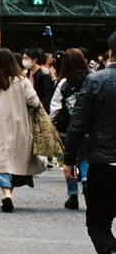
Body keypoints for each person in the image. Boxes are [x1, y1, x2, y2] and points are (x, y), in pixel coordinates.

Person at [63, 33, 116, 254]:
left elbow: (78, 124)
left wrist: (69, 159)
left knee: (98, 223)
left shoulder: (96, 81)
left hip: (103, 165)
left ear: (110, 53)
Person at [0, 46, 43, 213]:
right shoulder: (22, 81)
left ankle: (6, 194)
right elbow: (34, 102)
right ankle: (8, 195)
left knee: (2, 162)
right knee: (13, 162)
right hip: (19, 127)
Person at [50, 48, 91, 211]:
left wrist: (50, 123)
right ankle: (87, 179)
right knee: (85, 156)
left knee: (69, 161)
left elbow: (55, 106)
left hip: (67, 127)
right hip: (89, 126)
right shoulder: (92, 78)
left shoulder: (63, 82)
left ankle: (72, 195)